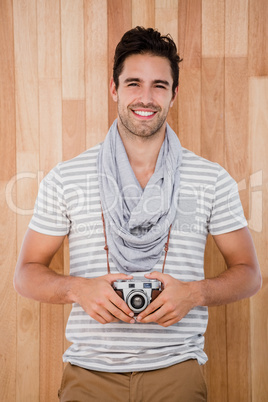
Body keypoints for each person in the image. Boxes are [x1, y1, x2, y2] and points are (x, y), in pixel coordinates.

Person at [14, 27, 262, 402]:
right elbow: (25, 274)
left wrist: (193, 294)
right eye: (133, 83)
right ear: (114, 89)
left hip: (176, 370)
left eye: (159, 85)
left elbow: (249, 274)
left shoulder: (211, 179)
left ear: (174, 94)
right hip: (89, 372)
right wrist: (77, 289)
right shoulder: (66, 177)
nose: (146, 98)